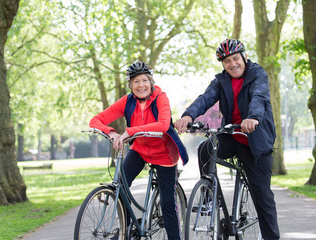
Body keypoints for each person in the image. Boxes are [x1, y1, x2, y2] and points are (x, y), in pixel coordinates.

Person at [175, 39, 280, 240]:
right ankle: (208, 197)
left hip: (255, 141)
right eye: (227, 61)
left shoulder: (258, 74)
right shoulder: (221, 81)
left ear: (244, 57)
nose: (232, 64)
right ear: (223, 65)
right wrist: (188, 116)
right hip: (232, 135)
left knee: (263, 199)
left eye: (235, 59)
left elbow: (259, 97)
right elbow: (205, 99)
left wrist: (253, 118)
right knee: (205, 148)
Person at [89, 61, 188, 240]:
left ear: (151, 82)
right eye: (136, 81)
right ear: (130, 85)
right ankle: (125, 231)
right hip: (140, 149)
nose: (141, 85)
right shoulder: (127, 101)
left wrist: (129, 131)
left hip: (164, 153)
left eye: (144, 80)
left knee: (167, 205)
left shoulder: (160, 97)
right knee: (121, 186)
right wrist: (111, 133)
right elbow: (96, 120)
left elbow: (164, 125)